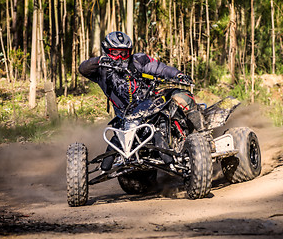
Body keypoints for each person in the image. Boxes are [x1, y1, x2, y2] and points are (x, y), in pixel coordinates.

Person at [79, 31, 203, 171]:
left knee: (182, 97)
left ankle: (202, 134)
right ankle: (111, 166)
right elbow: (83, 69)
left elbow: (160, 68)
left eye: (124, 53)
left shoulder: (138, 60)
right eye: (115, 53)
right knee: (117, 141)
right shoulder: (101, 70)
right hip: (124, 118)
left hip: (151, 107)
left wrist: (178, 74)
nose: (120, 57)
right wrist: (99, 61)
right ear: (107, 51)